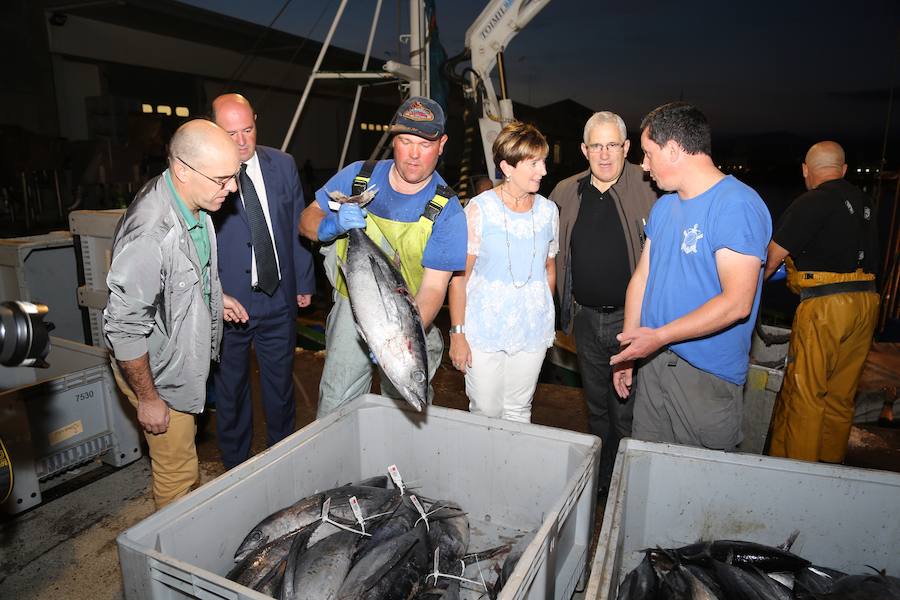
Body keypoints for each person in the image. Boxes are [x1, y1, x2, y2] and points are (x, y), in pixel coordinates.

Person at [103, 119, 248, 508]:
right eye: (222, 180)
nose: (231, 189)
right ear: (183, 169)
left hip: (179, 360)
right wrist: (148, 398)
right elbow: (123, 327)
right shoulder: (150, 233)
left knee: (184, 461)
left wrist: (216, 296)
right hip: (158, 375)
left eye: (234, 177)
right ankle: (177, 560)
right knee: (177, 476)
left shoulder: (191, 200)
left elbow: (183, 273)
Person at [610, 102, 771, 450]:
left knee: (696, 488)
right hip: (653, 363)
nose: (643, 164)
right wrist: (630, 350)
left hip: (705, 377)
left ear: (673, 149)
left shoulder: (736, 205)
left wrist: (659, 336)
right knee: (646, 471)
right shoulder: (664, 206)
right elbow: (642, 278)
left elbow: (737, 303)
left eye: (649, 153)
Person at [299, 96, 467, 417]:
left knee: (407, 412)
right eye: (405, 141)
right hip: (352, 306)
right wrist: (330, 225)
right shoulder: (358, 176)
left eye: (425, 144)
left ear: (442, 144)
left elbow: (433, 290)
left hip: (412, 316)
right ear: (393, 140)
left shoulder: (448, 212)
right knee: (337, 407)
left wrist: (399, 336)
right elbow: (306, 220)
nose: (414, 154)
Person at [208, 94, 316, 469]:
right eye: (230, 133)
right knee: (231, 391)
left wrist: (303, 281)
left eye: (248, 130)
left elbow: (296, 224)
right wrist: (210, 293)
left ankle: (281, 461)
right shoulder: (203, 174)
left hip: (277, 296)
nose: (241, 141)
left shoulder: (283, 165)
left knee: (280, 387)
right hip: (228, 303)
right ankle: (235, 468)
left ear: (256, 121)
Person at [550, 111, 656, 488]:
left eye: (613, 145)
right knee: (596, 408)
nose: (605, 154)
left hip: (634, 321)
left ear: (627, 148)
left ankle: (626, 486)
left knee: (626, 412)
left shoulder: (651, 190)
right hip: (586, 319)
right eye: (597, 145)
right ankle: (601, 480)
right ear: (584, 149)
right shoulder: (565, 192)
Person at [765, 141, 880, 463]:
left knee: (806, 394)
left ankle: (797, 476)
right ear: (843, 170)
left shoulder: (811, 202)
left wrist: (745, 288)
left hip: (826, 307)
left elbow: (773, 257)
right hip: (867, 304)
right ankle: (830, 469)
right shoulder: (866, 202)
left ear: (806, 170)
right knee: (841, 396)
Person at [447, 122, 558, 423]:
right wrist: (458, 334)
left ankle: (513, 470)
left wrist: (539, 311)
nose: (543, 171)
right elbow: (460, 279)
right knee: (485, 411)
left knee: (519, 410)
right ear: (508, 167)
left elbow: (549, 268)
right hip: (484, 329)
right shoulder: (479, 209)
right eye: (534, 163)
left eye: (543, 161)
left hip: (531, 331)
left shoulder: (549, 211)